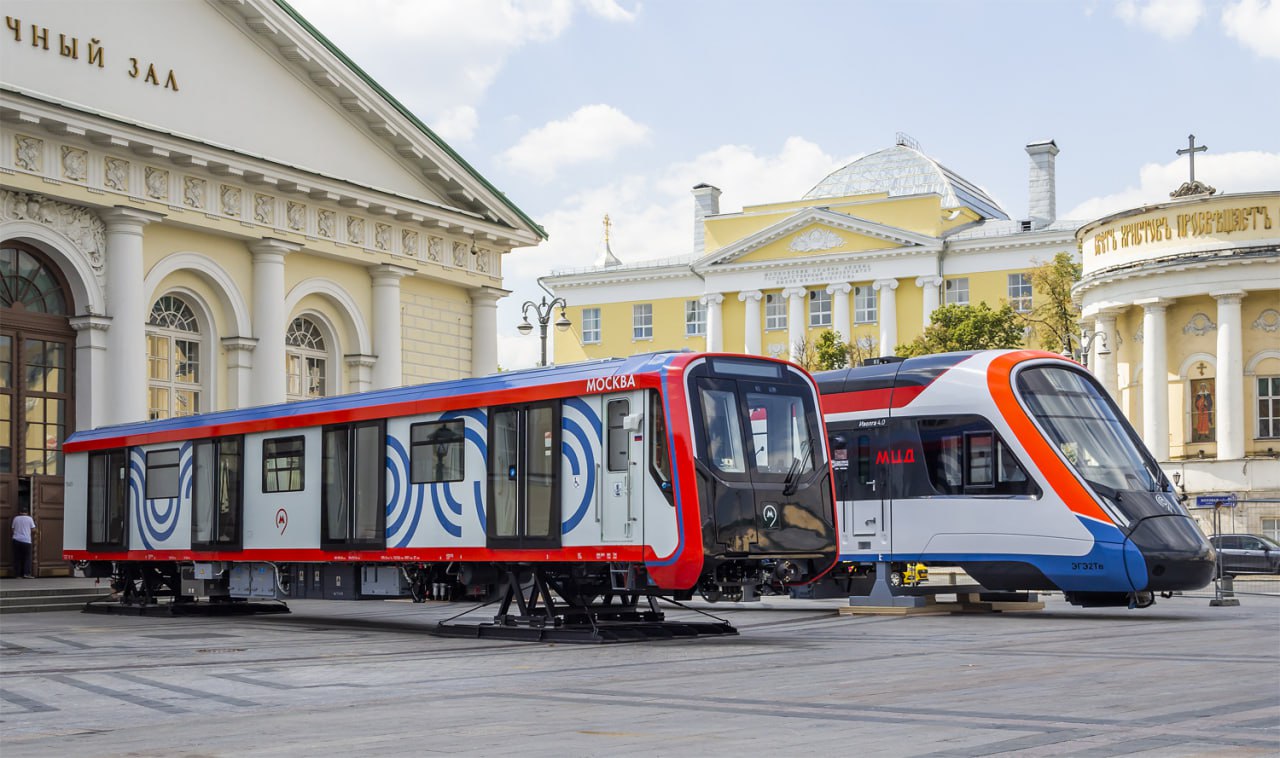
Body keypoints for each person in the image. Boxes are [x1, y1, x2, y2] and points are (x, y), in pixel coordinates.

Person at [11, 508, 36, 578]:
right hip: (26, 541)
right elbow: (33, 529)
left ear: (20, 512)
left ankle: (17, 575)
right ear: (27, 512)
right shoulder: (29, 519)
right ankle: (26, 573)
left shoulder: (16, 518)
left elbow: (12, 529)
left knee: (17, 558)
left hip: (16, 540)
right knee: (27, 558)